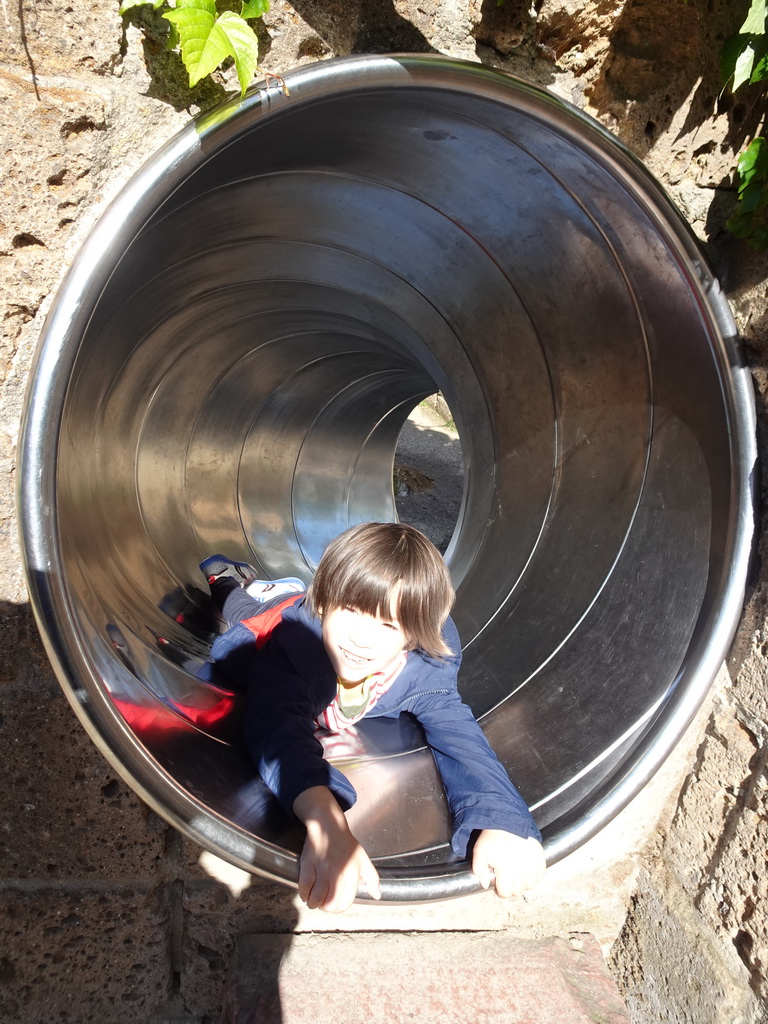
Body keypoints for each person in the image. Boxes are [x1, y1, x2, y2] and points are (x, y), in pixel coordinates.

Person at [200, 522, 545, 913]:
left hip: (314, 608)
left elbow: (457, 733)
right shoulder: (295, 650)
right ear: (327, 602)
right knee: (244, 610)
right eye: (350, 611)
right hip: (270, 627)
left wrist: (501, 819)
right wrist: (327, 824)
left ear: (413, 634)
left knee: (284, 606)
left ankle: (286, 591)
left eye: (387, 624)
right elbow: (276, 730)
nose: (361, 639)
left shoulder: (422, 669)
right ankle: (229, 580)